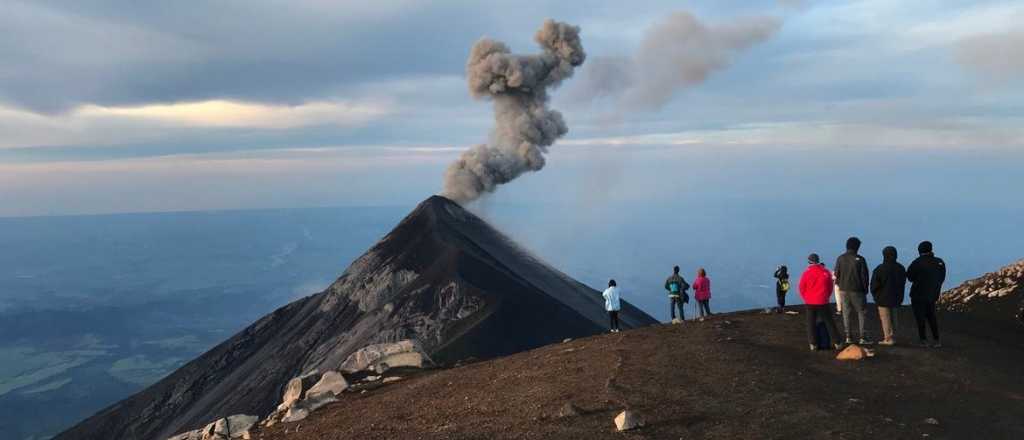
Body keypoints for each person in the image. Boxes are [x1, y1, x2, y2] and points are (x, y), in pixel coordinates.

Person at [799, 253, 842, 351]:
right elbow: (830, 286)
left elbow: (801, 287)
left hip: (810, 302)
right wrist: (826, 296)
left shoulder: (806, 273)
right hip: (823, 301)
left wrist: (806, 298)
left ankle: (813, 344)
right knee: (829, 322)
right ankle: (837, 342)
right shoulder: (825, 272)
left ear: (809, 262)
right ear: (818, 261)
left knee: (811, 323)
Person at [907, 241, 946, 348]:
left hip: (918, 294)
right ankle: (936, 340)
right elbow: (941, 278)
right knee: (932, 317)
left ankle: (923, 340)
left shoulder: (917, 262)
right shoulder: (939, 262)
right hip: (932, 294)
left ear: (919, 250)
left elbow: (910, 276)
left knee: (920, 317)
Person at [834, 237, 872, 345]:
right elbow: (865, 277)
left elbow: (837, 274)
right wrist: (865, 290)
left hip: (843, 289)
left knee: (846, 312)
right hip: (857, 290)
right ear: (857, 247)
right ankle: (862, 337)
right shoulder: (860, 259)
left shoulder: (840, 258)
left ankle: (848, 337)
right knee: (862, 312)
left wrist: (839, 284)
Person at [871, 246, 907, 346]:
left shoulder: (880, 268)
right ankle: (893, 336)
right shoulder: (901, 268)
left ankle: (888, 338)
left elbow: (874, 285)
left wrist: (876, 296)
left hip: (882, 298)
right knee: (894, 318)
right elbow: (903, 282)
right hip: (897, 297)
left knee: (885, 318)